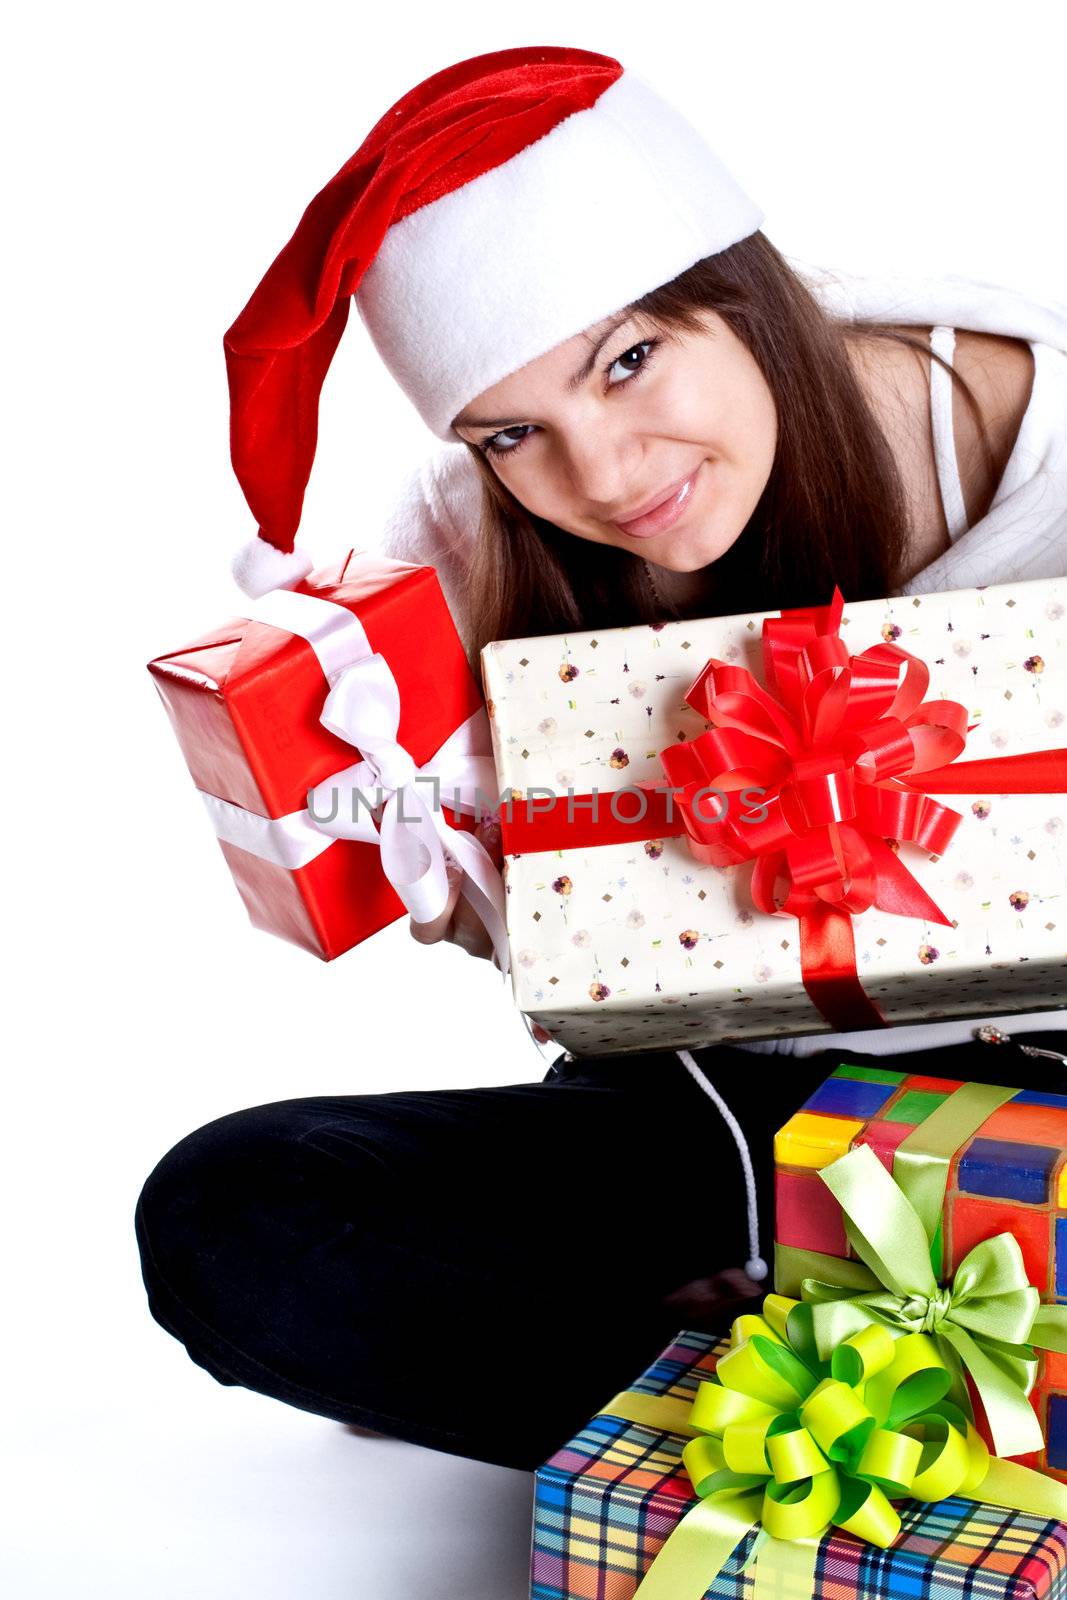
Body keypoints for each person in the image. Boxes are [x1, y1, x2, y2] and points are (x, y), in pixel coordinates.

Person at [135, 46, 1067, 1474]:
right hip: (719, 1121)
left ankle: (803, 1389)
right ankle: (850, 1411)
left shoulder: (1033, 435)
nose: (609, 476)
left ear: (738, 292)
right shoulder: (469, 537)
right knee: (235, 1218)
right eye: (517, 433)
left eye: (630, 360)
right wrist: (451, 854)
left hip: (1040, 1111)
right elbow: (564, 964)